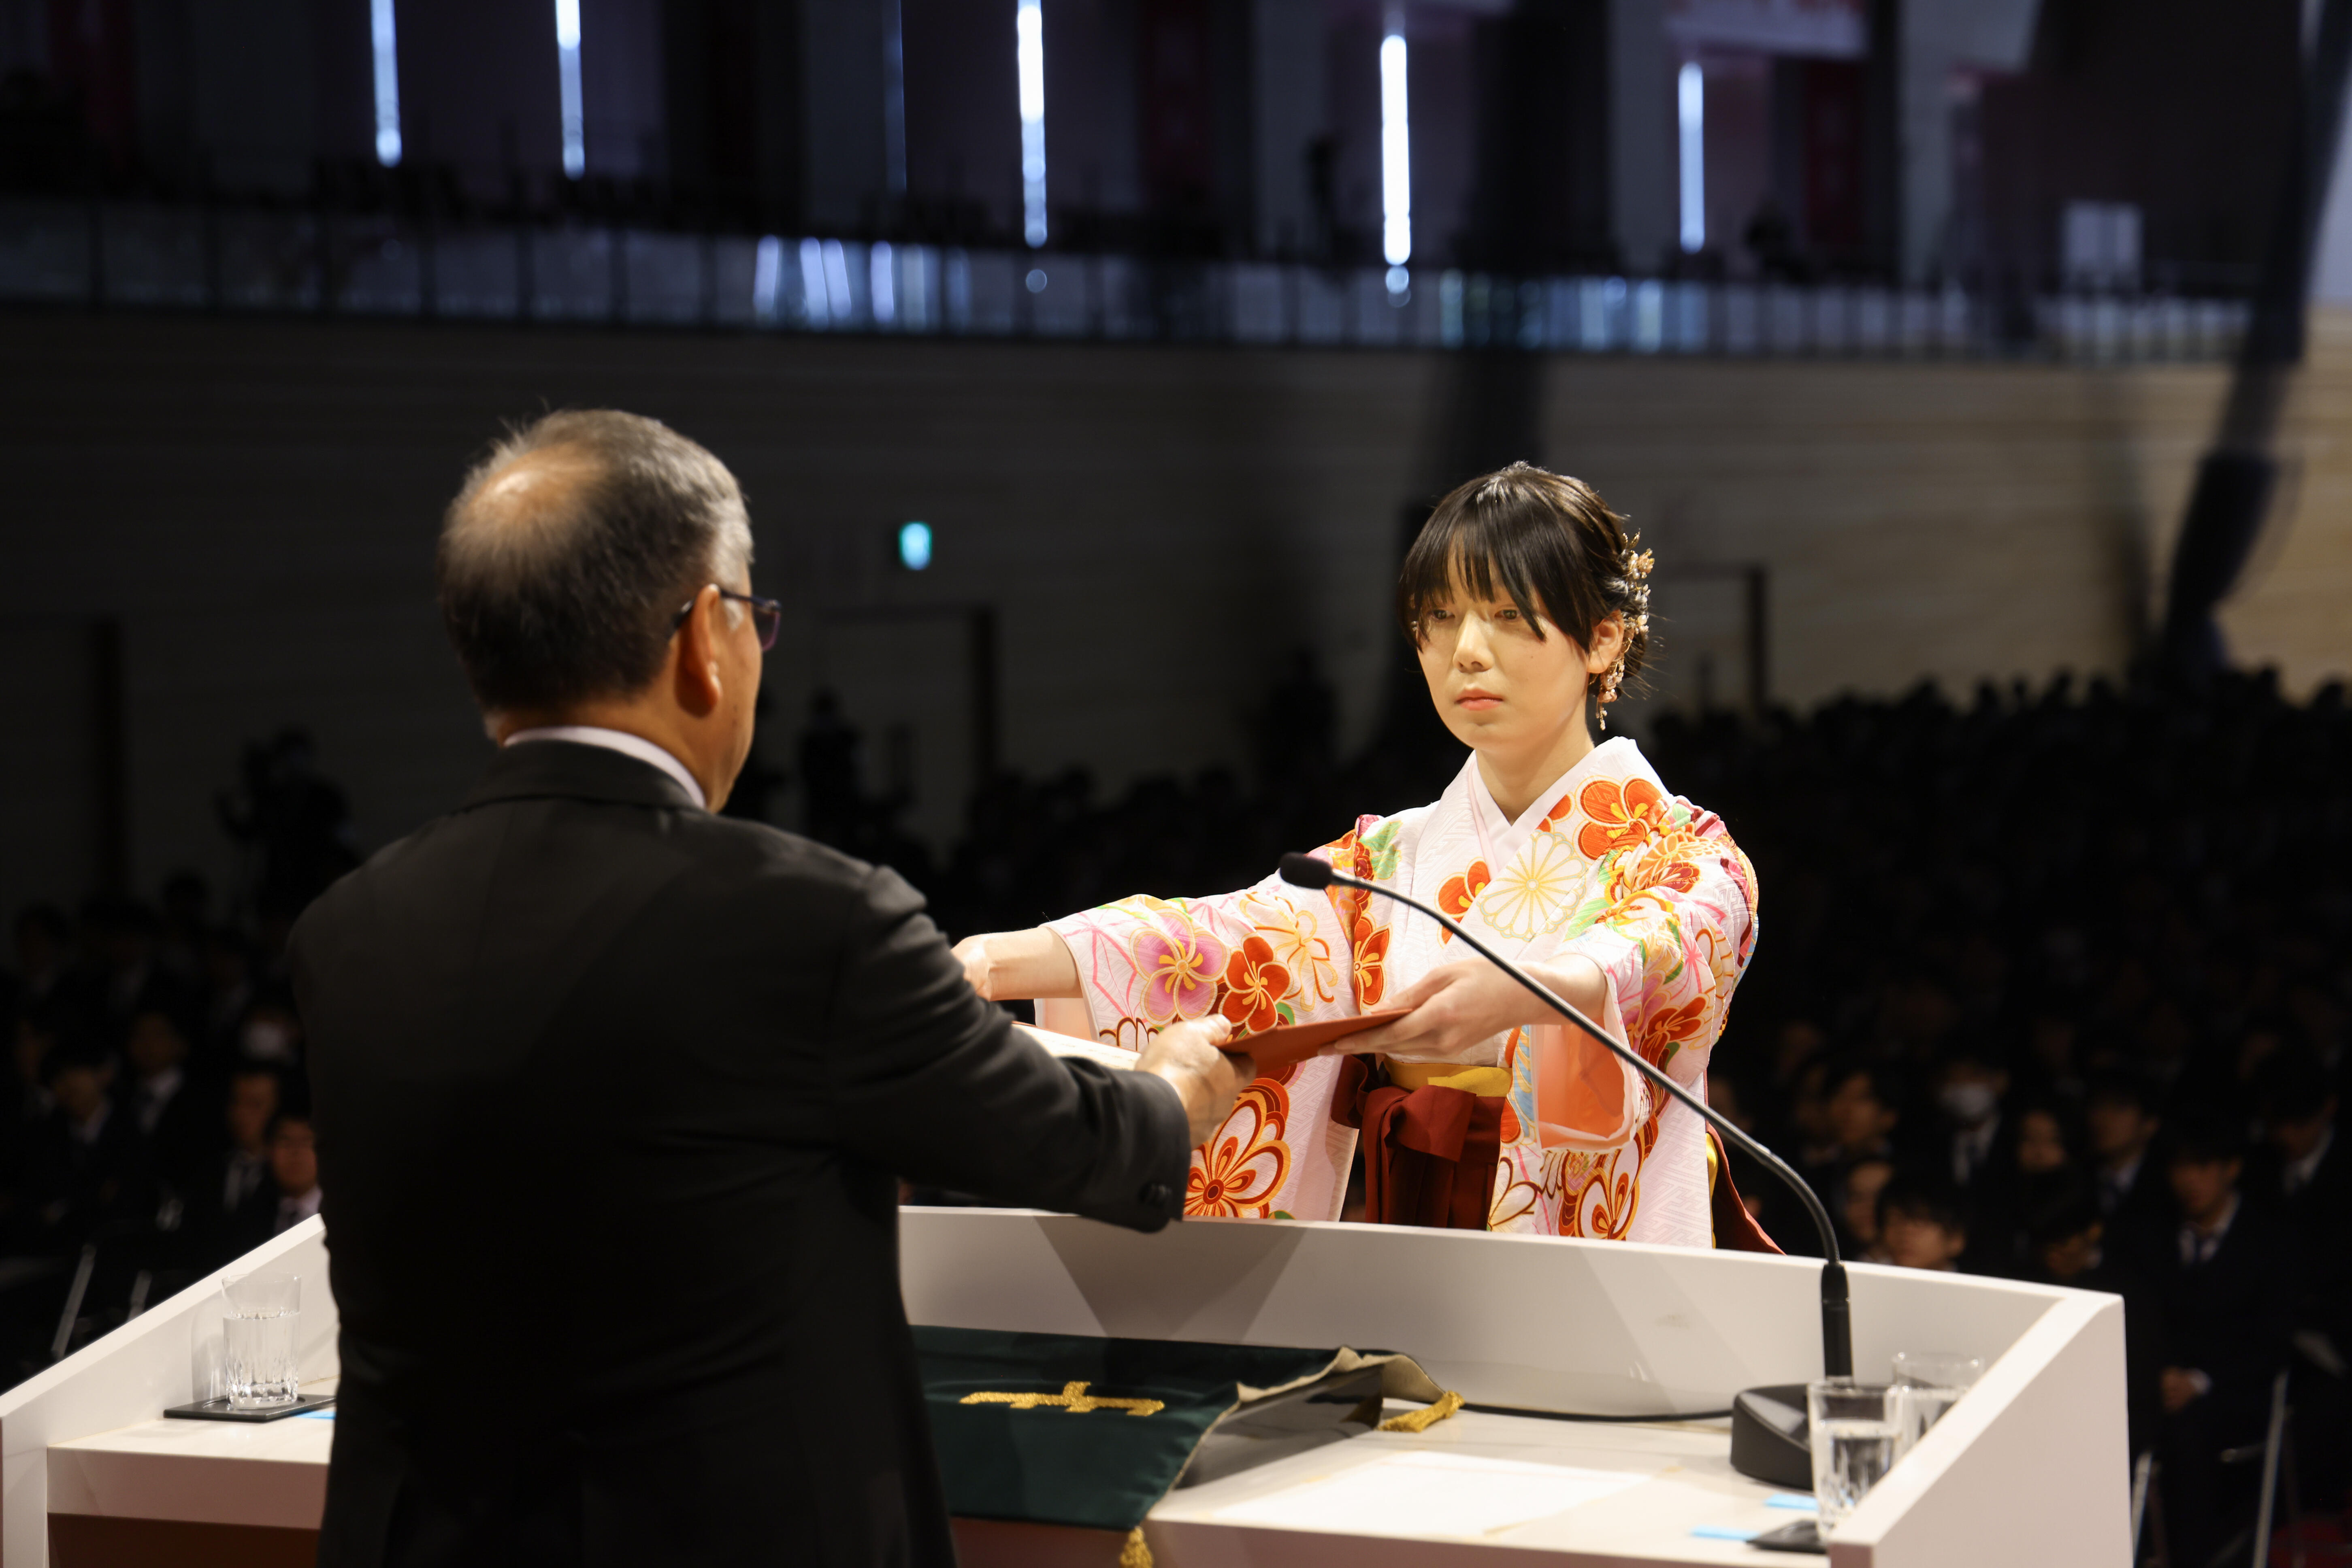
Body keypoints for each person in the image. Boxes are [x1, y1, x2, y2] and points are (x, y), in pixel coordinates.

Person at [288, 409, 1248, 1568]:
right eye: (753, 613)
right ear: (705, 634)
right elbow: (1062, 1140)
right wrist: (1175, 1089)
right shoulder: (809, 919)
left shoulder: (348, 931)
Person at [954, 462, 1761, 1243]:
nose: (1467, 651)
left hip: (1584, 1247)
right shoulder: (1387, 859)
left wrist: (1528, 992)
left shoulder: (1684, 855)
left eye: (1508, 615)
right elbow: (1225, 938)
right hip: (1404, 1229)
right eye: (1440, 618)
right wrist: (995, 959)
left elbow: (1655, 949)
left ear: (1601, 640)